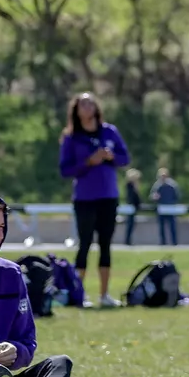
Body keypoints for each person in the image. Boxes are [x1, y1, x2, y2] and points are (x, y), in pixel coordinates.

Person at [0, 195, 90, 377]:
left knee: (58, 364)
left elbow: (27, 341)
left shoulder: (10, 275)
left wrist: (15, 350)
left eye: (1, 227)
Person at [57, 92, 130, 309]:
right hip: (85, 198)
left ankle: (105, 294)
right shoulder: (71, 138)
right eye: (82, 104)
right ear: (76, 111)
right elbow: (65, 170)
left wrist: (111, 157)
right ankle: (80, 294)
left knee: (105, 244)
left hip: (108, 196)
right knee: (85, 243)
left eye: (90, 103)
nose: (87, 107)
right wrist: (89, 162)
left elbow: (125, 158)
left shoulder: (109, 131)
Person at [148, 168, 181, 246]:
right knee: (161, 227)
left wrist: (173, 203)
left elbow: (177, 196)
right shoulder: (157, 185)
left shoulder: (173, 185)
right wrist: (154, 197)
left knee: (172, 226)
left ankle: (174, 242)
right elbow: (151, 196)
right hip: (161, 209)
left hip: (170, 209)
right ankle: (163, 242)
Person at [121, 168, 143, 247]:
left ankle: (128, 239)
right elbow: (132, 196)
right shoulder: (129, 185)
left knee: (131, 224)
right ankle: (127, 240)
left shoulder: (134, 185)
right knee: (129, 224)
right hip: (131, 207)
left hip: (133, 207)